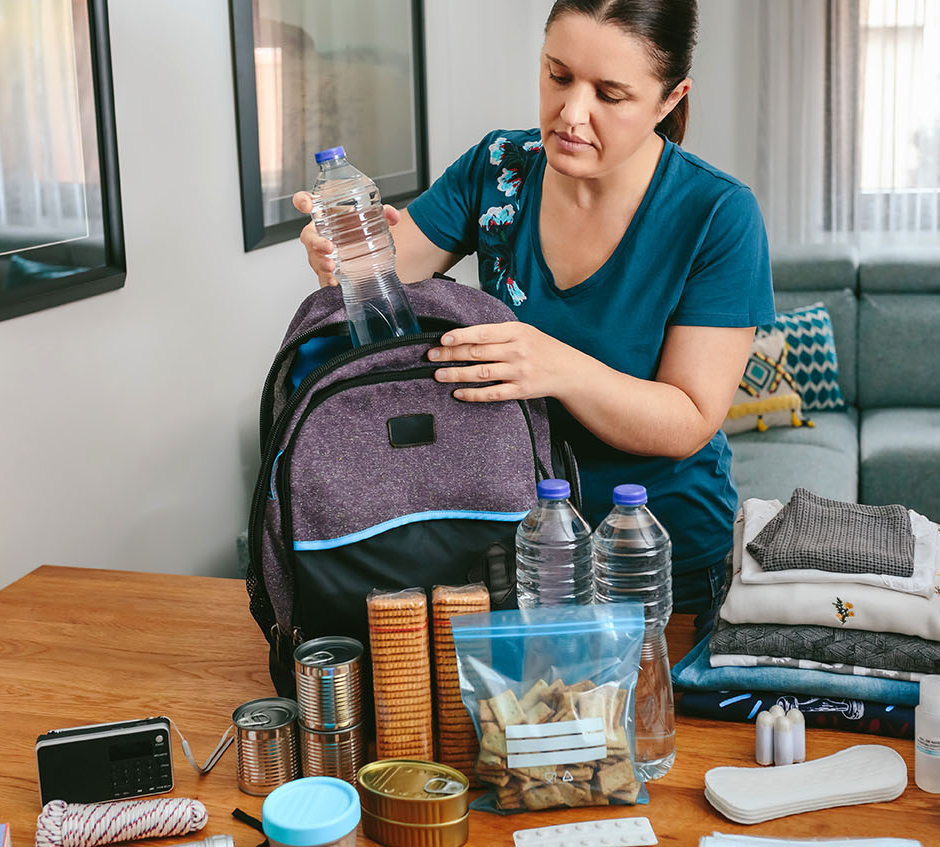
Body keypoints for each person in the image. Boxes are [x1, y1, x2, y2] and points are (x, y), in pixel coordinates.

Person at [292, 0, 773, 618]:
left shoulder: (717, 215)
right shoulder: (498, 168)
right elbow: (381, 269)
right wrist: (340, 254)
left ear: (669, 99)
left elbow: (689, 418)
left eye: (610, 93)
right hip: (517, 554)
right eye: (559, 75)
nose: (572, 114)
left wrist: (556, 366)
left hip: (658, 563)